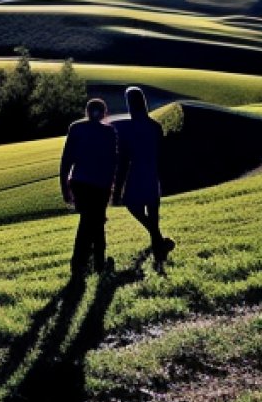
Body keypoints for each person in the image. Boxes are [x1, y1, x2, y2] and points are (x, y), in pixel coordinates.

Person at [115, 86, 175, 266]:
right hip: (151, 172)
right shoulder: (155, 126)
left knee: (133, 206)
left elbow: (124, 159)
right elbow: (162, 153)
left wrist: (118, 188)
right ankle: (159, 246)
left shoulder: (129, 128)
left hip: (136, 173)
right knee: (153, 212)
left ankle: (158, 241)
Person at [59, 98, 118, 277]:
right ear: (105, 112)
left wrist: (65, 186)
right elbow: (112, 162)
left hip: (80, 182)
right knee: (94, 221)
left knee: (90, 220)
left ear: (86, 111)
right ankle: (84, 262)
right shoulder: (109, 132)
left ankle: (94, 262)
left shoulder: (76, 128)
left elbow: (66, 159)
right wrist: (112, 186)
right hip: (100, 184)